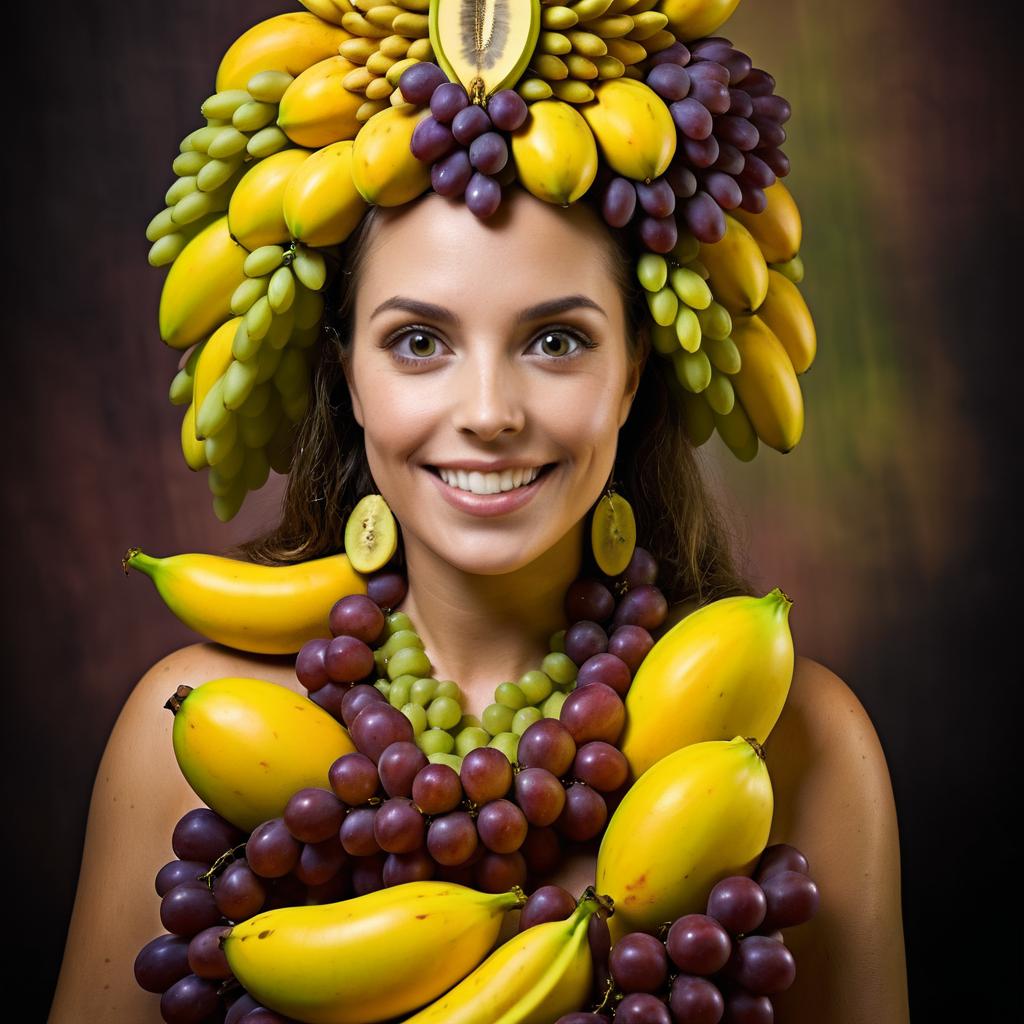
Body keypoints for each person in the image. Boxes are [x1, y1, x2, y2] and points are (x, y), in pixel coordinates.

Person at [49, 186, 909, 1022]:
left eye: (557, 340)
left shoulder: (805, 740)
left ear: (632, 374)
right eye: (420, 341)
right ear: (347, 375)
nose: (490, 413)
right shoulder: (188, 728)